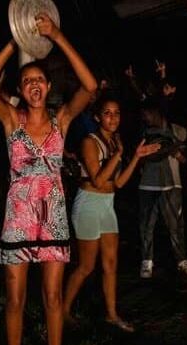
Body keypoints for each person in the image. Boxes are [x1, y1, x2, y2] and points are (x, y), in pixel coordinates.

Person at [0, 13, 97, 345]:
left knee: (53, 298)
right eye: (27, 81)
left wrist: (57, 36)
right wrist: (15, 41)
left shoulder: (62, 120)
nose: (34, 85)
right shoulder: (12, 120)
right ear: (21, 88)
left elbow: (89, 86)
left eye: (40, 79)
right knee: (15, 300)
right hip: (18, 220)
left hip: (53, 219)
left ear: (48, 85)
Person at [62, 95, 160, 332]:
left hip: (108, 204)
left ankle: (112, 314)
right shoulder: (90, 142)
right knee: (86, 266)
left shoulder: (116, 142)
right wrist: (118, 154)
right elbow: (97, 180)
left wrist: (135, 157)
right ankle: (62, 309)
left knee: (111, 264)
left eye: (116, 113)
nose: (113, 118)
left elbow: (118, 184)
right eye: (107, 113)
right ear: (97, 117)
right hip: (88, 204)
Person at [137, 99, 187, 279]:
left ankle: (181, 260)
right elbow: (137, 159)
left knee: (175, 225)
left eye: (147, 113)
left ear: (157, 112)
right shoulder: (143, 132)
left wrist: (177, 153)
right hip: (148, 184)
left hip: (172, 184)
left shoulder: (178, 131)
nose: (145, 117)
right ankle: (147, 262)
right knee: (146, 225)